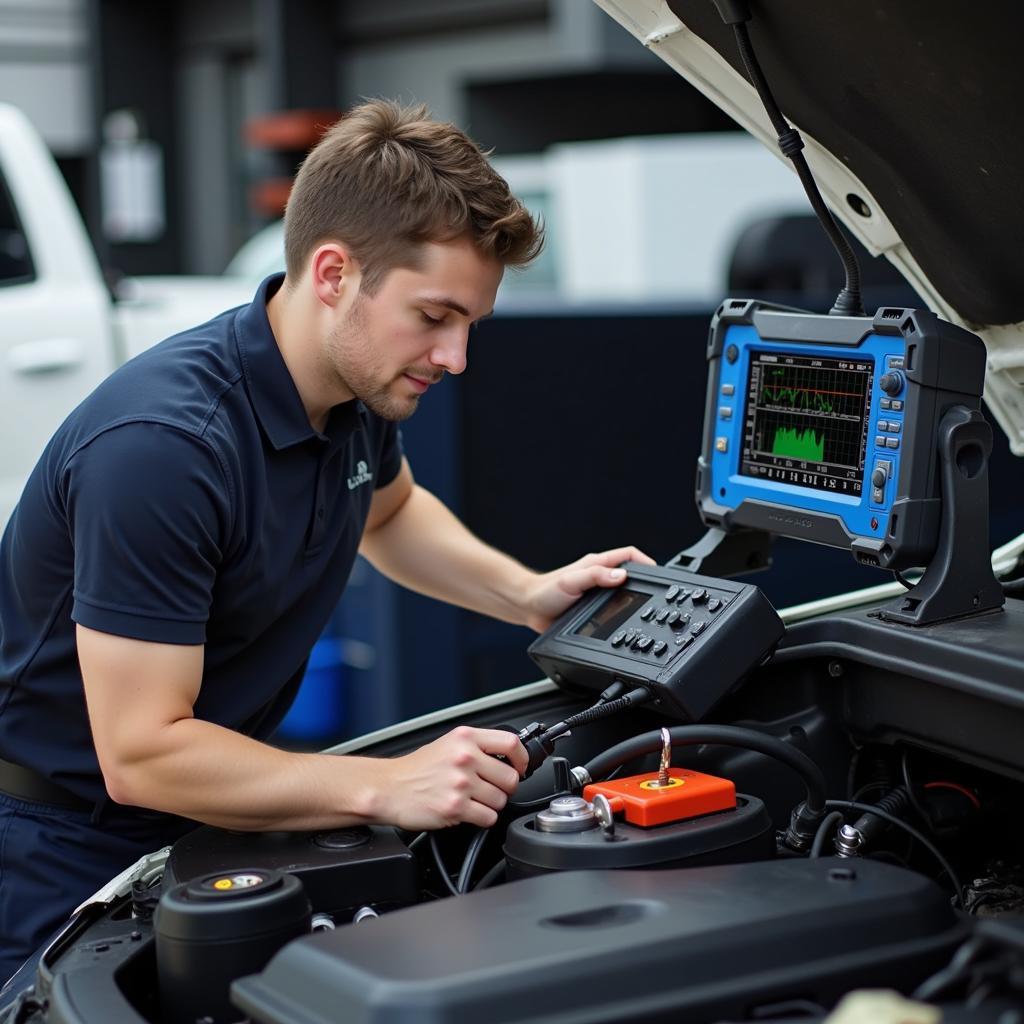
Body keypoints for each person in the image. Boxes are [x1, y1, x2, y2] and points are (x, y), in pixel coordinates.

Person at [0, 99, 653, 981]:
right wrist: (385, 783)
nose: (455, 357)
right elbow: (144, 753)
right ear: (336, 272)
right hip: (59, 847)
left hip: (209, 812)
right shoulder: (163, 450)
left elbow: (389, 513)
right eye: (433, 316)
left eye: (470, 325)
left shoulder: (351, 393)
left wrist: (527, 595)